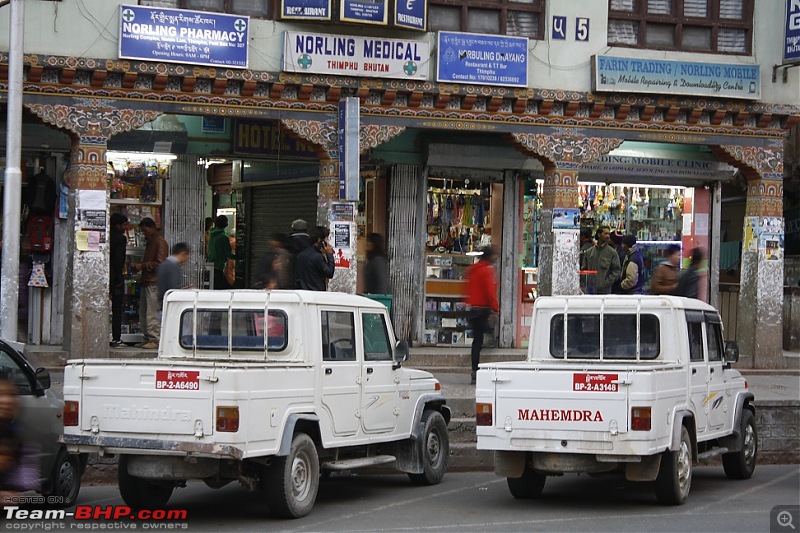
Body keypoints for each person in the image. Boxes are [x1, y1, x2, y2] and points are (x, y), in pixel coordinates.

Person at [0, 376, 40, 499]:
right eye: (1, 394)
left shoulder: (12, 432)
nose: (7, 401)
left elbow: (23, 479)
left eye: (12, 395)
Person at [131, 217, 168, 350]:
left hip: (154, 282)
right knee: (144, 311)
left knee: (151, 312)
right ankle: (147, 337)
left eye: (145, 230)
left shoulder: (160, 242)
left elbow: (160, 264)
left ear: (152, 227)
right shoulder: (151, 242)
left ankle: (155, 339)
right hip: (147, 281)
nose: (144, 233)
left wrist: (143, 266)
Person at [465, 246, 499, 385]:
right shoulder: (487, 271)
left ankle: (475, 370)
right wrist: (495, 308)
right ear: (489, 256)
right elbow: (490, 291)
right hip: (483, 309)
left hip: (473, 308)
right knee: (481, 340)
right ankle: (478, 369)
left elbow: (468, 289)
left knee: (477, 341)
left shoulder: (472, 270)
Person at [295, 225, 335, 291]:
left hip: (303, 292)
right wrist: (329, 254)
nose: (327, 242)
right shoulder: (318, 256)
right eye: (326, 239)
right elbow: (329, 272)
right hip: (316, 293)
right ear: (320, 240)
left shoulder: (301, 255)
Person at [109, 213, 128, 348]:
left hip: (105, 276)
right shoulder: (120, 239)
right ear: (118, 225)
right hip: (115, 278)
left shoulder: (107, 237)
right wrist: (119, 277)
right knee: (116, 308)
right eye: (124, 225)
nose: (125, 228)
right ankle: (116, 338)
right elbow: (118, 259)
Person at [584, 226, 621, 294]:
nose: (608, 236)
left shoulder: (612, 253)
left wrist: (606, 283)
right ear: (599, 234)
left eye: (609, 234)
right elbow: (584, 270)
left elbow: (616, 271)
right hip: (590, 290)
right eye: (605, 233)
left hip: (604, 292)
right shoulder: (589, 252)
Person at [207, 215, 234, 290]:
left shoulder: (211, 235)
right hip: (219, 266)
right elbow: (229, 253)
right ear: (226, 224)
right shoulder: (224, 237)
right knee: (225, 288)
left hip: (211, 264)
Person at [287, 219, 311, 289]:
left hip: (292, 275)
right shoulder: (311, 240)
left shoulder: (288, 241)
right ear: (306, 229)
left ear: (293, 229)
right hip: (308, 275)